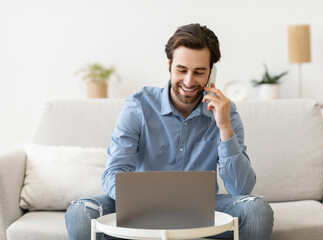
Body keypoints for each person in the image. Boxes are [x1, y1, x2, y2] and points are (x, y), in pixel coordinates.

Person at [65, 23, 274, 240]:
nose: (189, 81)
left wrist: (224, 128)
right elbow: (114, 172)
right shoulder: (138, 106)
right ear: (169, 65)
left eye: (199, 72)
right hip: (140, 206)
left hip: (202, 209)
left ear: (211, 72)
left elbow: (241, 189)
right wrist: (148, 204)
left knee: (256, 210)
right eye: (181, 70)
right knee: (81, 212)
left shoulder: (226, 113)